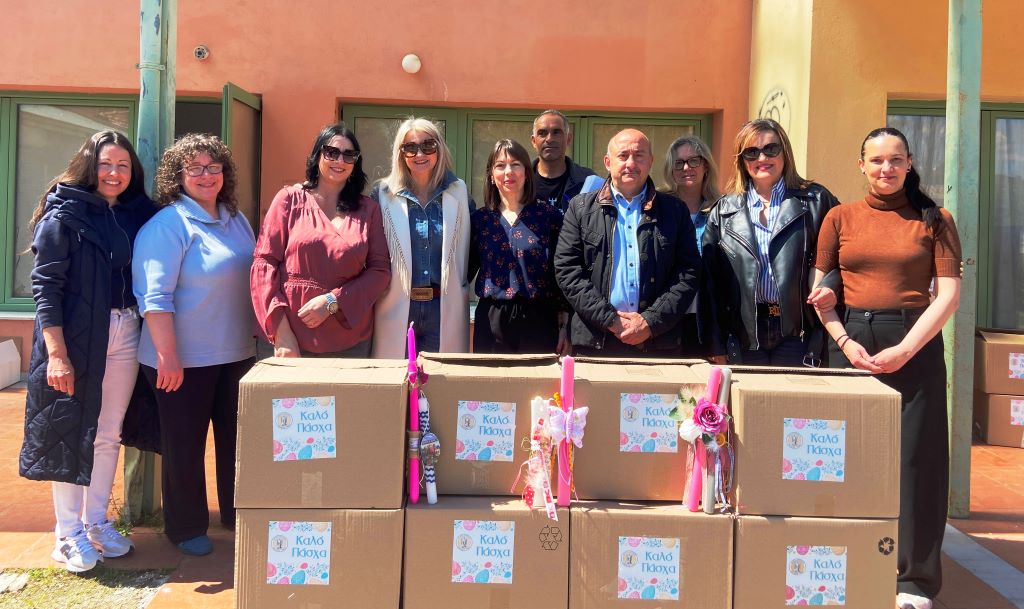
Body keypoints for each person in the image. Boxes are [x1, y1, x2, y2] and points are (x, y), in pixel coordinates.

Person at [811, 127, 961, 609]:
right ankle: (846, 560)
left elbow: (948, 296)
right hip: (851, 341)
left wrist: (906, 349)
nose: (886, 168)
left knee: (917, 461)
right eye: (876, 160)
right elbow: (821, 293)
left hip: (914, 340)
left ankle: (914, 580)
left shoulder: (935, 219)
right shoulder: (839, 217)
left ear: (909, 163)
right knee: (845, 458)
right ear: (861, 165)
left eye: (896, 159)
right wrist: (844, 341)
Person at [20, 131, 156, 572]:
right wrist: (57, 354)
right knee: (70, 430)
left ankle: (96, 522)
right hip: (75, 337)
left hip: (125, 329)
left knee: (107, 432)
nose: (114, 173)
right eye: (105, 164)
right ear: (88, 165)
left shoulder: (137, 214)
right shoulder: (63, 214)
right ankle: (67, 533)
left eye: (123, 165)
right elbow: (46, 288)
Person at [133, 133, 257, 556]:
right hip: (181, 360)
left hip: (236, 353)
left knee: (236, 442)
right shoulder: (168, 226)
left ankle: (237, 514)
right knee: (184, 445)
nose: (206, 176)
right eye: (195, 168)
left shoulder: (235, 219)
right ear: (178, 175)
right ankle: (185, 527)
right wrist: (167, 356)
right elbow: (154, 298)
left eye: (214, 167)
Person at [701, 118, 838, 366]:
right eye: (751, 152)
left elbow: (842, 258)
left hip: (798, 334)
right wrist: (715, 342)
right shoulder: (723, 211)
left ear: (785, 152)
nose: (762, 158)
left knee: (793, 392)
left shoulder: (817, 200)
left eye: (770, 149)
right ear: (742, 160)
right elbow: (709, 283)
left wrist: (830, 288)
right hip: (744, 335)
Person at [554, 129, 700, 357]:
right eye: (623, 155)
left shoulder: (675, 210)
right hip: (596, 341)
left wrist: (650, 321)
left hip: (658, 342)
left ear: (650, 161)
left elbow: (688, 272)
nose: (631, 163)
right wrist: (610, 320)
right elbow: (567, 270)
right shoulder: (580, 209)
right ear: (608, 162)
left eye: (639, 155)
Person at [251, 123, 390, 358]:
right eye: (331, 152)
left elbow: (380, 271)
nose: (340, 160)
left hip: (349, 343)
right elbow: (264, 265)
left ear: (355, 163)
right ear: (317, 156)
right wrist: (281, 333)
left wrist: (332, 301)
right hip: (289, 341)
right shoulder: (289, 200)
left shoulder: (368, 210)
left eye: (349, 155)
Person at [371, 118, 472, 358]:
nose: (420, 154)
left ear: (439, 148)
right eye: (410, 147)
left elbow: (471, 250)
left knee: (441, 378)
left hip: (443, 307)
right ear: (401, 153)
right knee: (396, 378)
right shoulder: (383, 194)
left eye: (428, 145)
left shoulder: (459, 191)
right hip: (397, 307)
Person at [469, 139, 566, 354]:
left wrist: (564, 326)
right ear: (491, 175)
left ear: (527, 173)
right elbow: (463, 273)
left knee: (537, 377)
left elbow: (560, 274)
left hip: (538, 319)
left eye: (515, 164)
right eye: (500, 165)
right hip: (491, 319)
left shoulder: (549, 217)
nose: (508, 172)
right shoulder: (480, 220)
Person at [661, 135, 721, 358]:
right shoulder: (658, 207)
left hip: (706, 317)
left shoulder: (722, 209)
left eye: (694, 161)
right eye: (679, 163)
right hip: (665, 316)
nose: (686, 168)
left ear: (706, 166)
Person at [530, 110, 595, 212]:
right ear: (534, 141)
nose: (549, 139)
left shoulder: (588, 181)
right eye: (542, 133)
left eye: (556, 132)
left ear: (568, 139)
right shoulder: (522, 180)